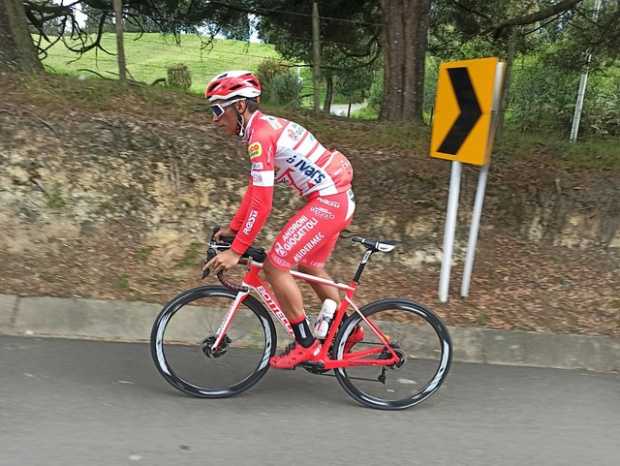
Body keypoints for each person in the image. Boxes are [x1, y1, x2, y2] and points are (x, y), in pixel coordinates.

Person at [203, 70, 362, 369]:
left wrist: (237, 250)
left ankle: (306, 345)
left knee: (276, 265)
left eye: (217, 109)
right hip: (336, 197)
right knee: (310, 265)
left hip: (330, 199)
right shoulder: (261, 130)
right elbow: (254, 192)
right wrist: (234, 229)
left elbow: (263, 204)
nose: (214, 118)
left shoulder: (260, 137)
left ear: (239, 107)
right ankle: (350, 330)